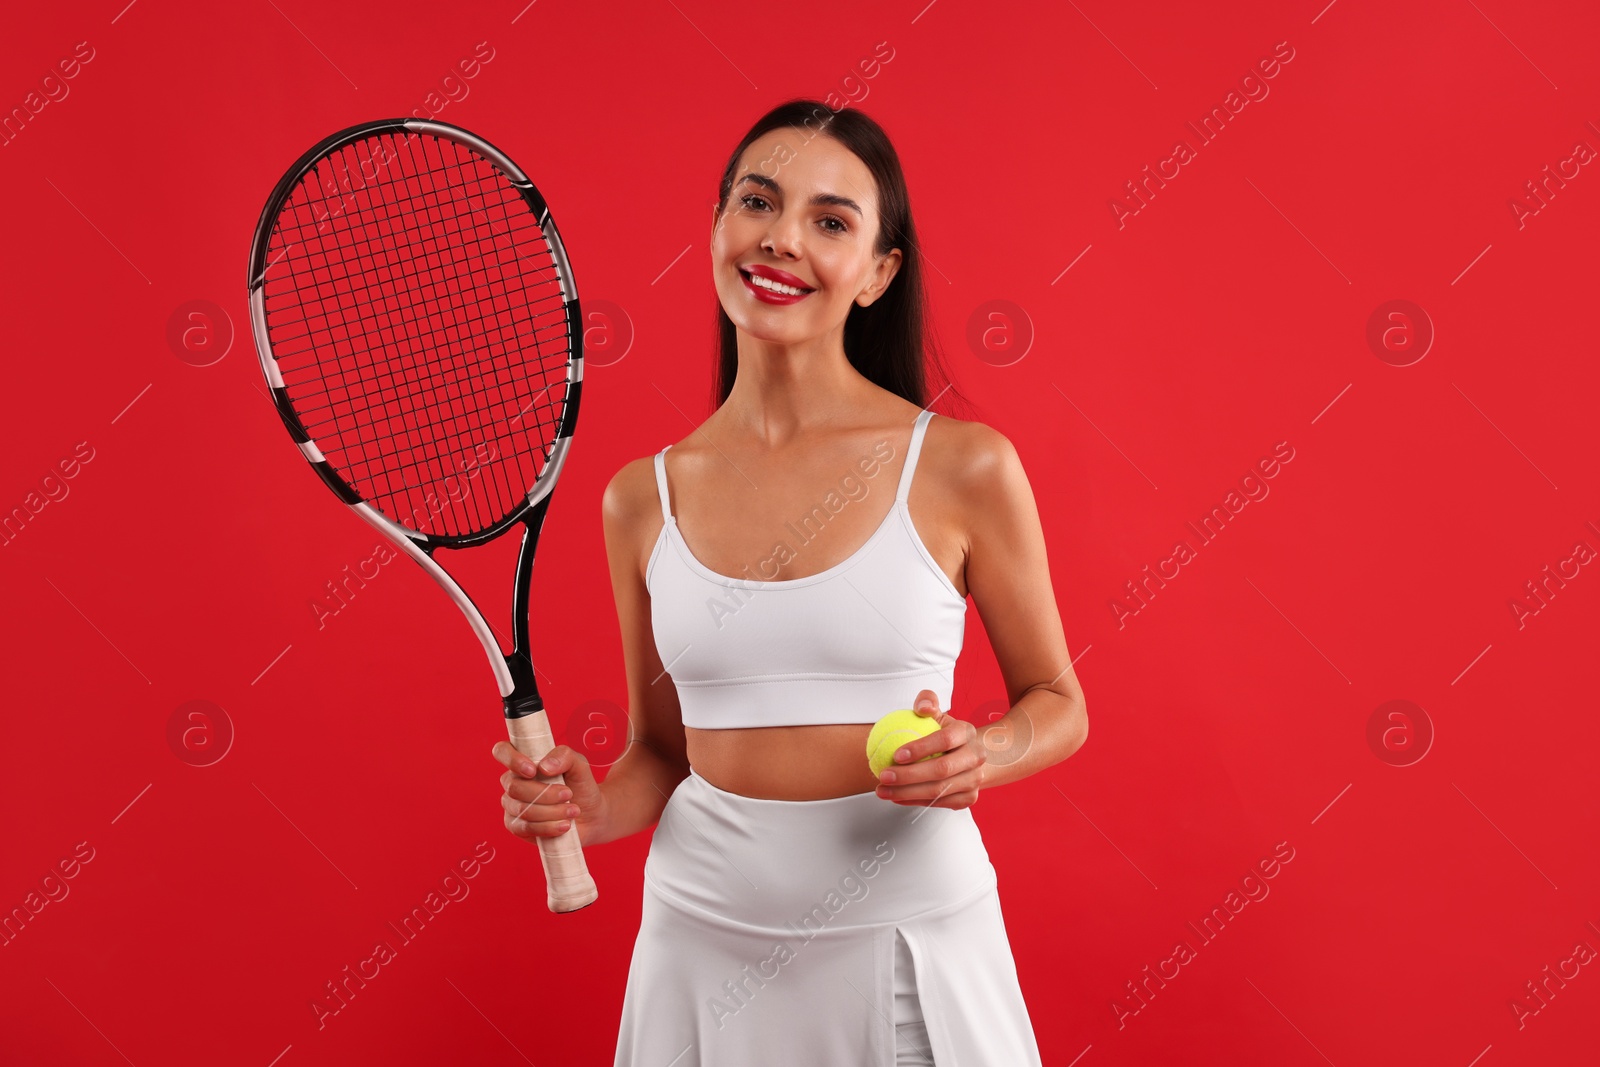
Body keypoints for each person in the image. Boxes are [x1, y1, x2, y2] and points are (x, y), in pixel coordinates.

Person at [492, 99, 1088, 1065]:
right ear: (718, 226)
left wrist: (987, 751)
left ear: (879, 273)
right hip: (700, 947)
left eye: (832, 220)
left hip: (906, 939)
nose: (782, 239)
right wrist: (595, 806)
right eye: (757, 202)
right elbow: (664, 750)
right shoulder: (640, 498)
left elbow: (1059, 701)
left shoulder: (965, 467)